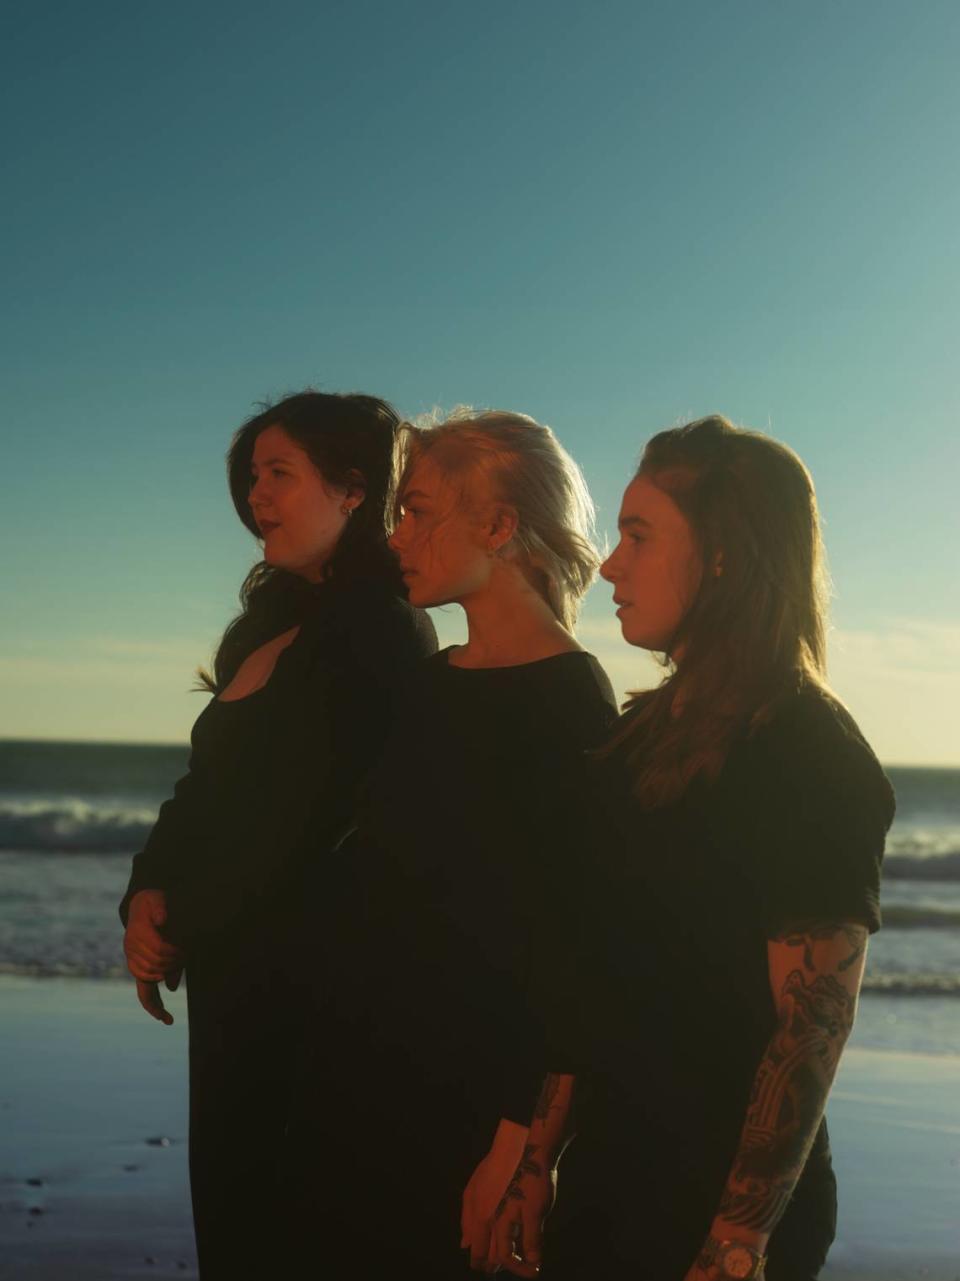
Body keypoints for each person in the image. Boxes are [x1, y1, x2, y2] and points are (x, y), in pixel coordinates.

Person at [491, 415, 895, 1281]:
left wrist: (737, 1241)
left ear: (723, 553)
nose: (609, 564)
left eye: (639, 535)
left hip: (721, 1214)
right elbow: (587, 978)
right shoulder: (636, 741)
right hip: (609, 1182)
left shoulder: (809, 752)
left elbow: (810, 1026)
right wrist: (538, 1161)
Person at [118, 390, 437, 1279]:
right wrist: (145, 891)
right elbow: (208, 790)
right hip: (236, 985)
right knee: (231, 1226)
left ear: (351, 491)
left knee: (290, 1238)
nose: (257, 494)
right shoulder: (267, 623)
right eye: (253, 475)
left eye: (280, 473)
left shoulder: (385, 631)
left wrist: (185, 918)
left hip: (316, 1005)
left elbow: (308, 831)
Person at [312, 408, 618, 1279]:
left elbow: (571, 946)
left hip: (471, 1106)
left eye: (416, 511)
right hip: (373, 1075)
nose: (395, 533)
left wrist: (522, 1148)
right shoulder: (429, 683)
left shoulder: (570, 702)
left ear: (497, 525)